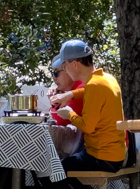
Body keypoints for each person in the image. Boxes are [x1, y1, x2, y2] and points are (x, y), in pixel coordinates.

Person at [50, 40, 127, 178]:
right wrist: (71, 94)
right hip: (116, 154)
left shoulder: (93, 86)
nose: (65, 70)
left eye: (64, 66)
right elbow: (90, 90)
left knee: (52, 173)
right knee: (61, 168)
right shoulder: (106, 78)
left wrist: (70, 114)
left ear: (75, 64)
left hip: (101, 157)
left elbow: (87, 126)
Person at [46, 62, 85, 158]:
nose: (54, 78)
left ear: (69, 70)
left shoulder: (80, 88)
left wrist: (55, 103)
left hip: (103, 152)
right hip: (97, 148)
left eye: (56, 73)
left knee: (55, 166)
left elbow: (61, 121)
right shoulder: (76, 89)